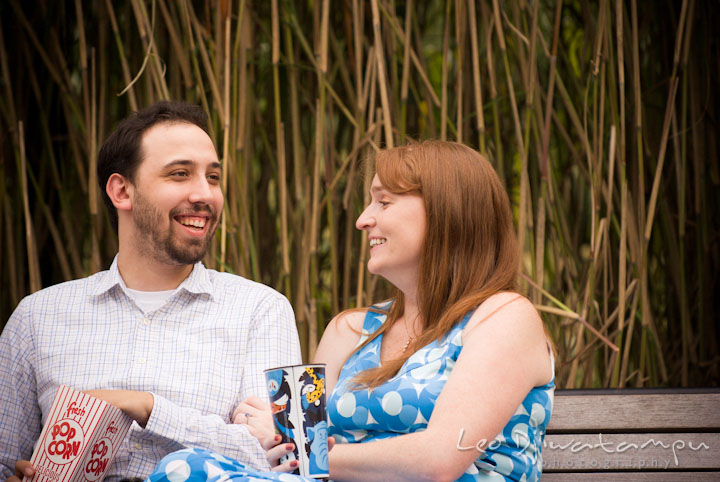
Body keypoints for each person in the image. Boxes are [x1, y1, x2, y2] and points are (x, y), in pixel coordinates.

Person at [146, 140, 554, 482]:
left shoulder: (504, 318)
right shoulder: (351, 330)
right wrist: (276, 440)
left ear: (449, 211)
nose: (363, 220)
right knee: (184, 468)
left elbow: (440, 459)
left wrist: (306, 450)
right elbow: (296, 462)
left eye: (384, 202)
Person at [0, 101, 302, 482]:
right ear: (122, 191)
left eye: (213, 177)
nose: (205, 194)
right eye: (180, 174)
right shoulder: (37, 317)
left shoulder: (260, 310)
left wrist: (147, 408)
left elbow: (283, 462)